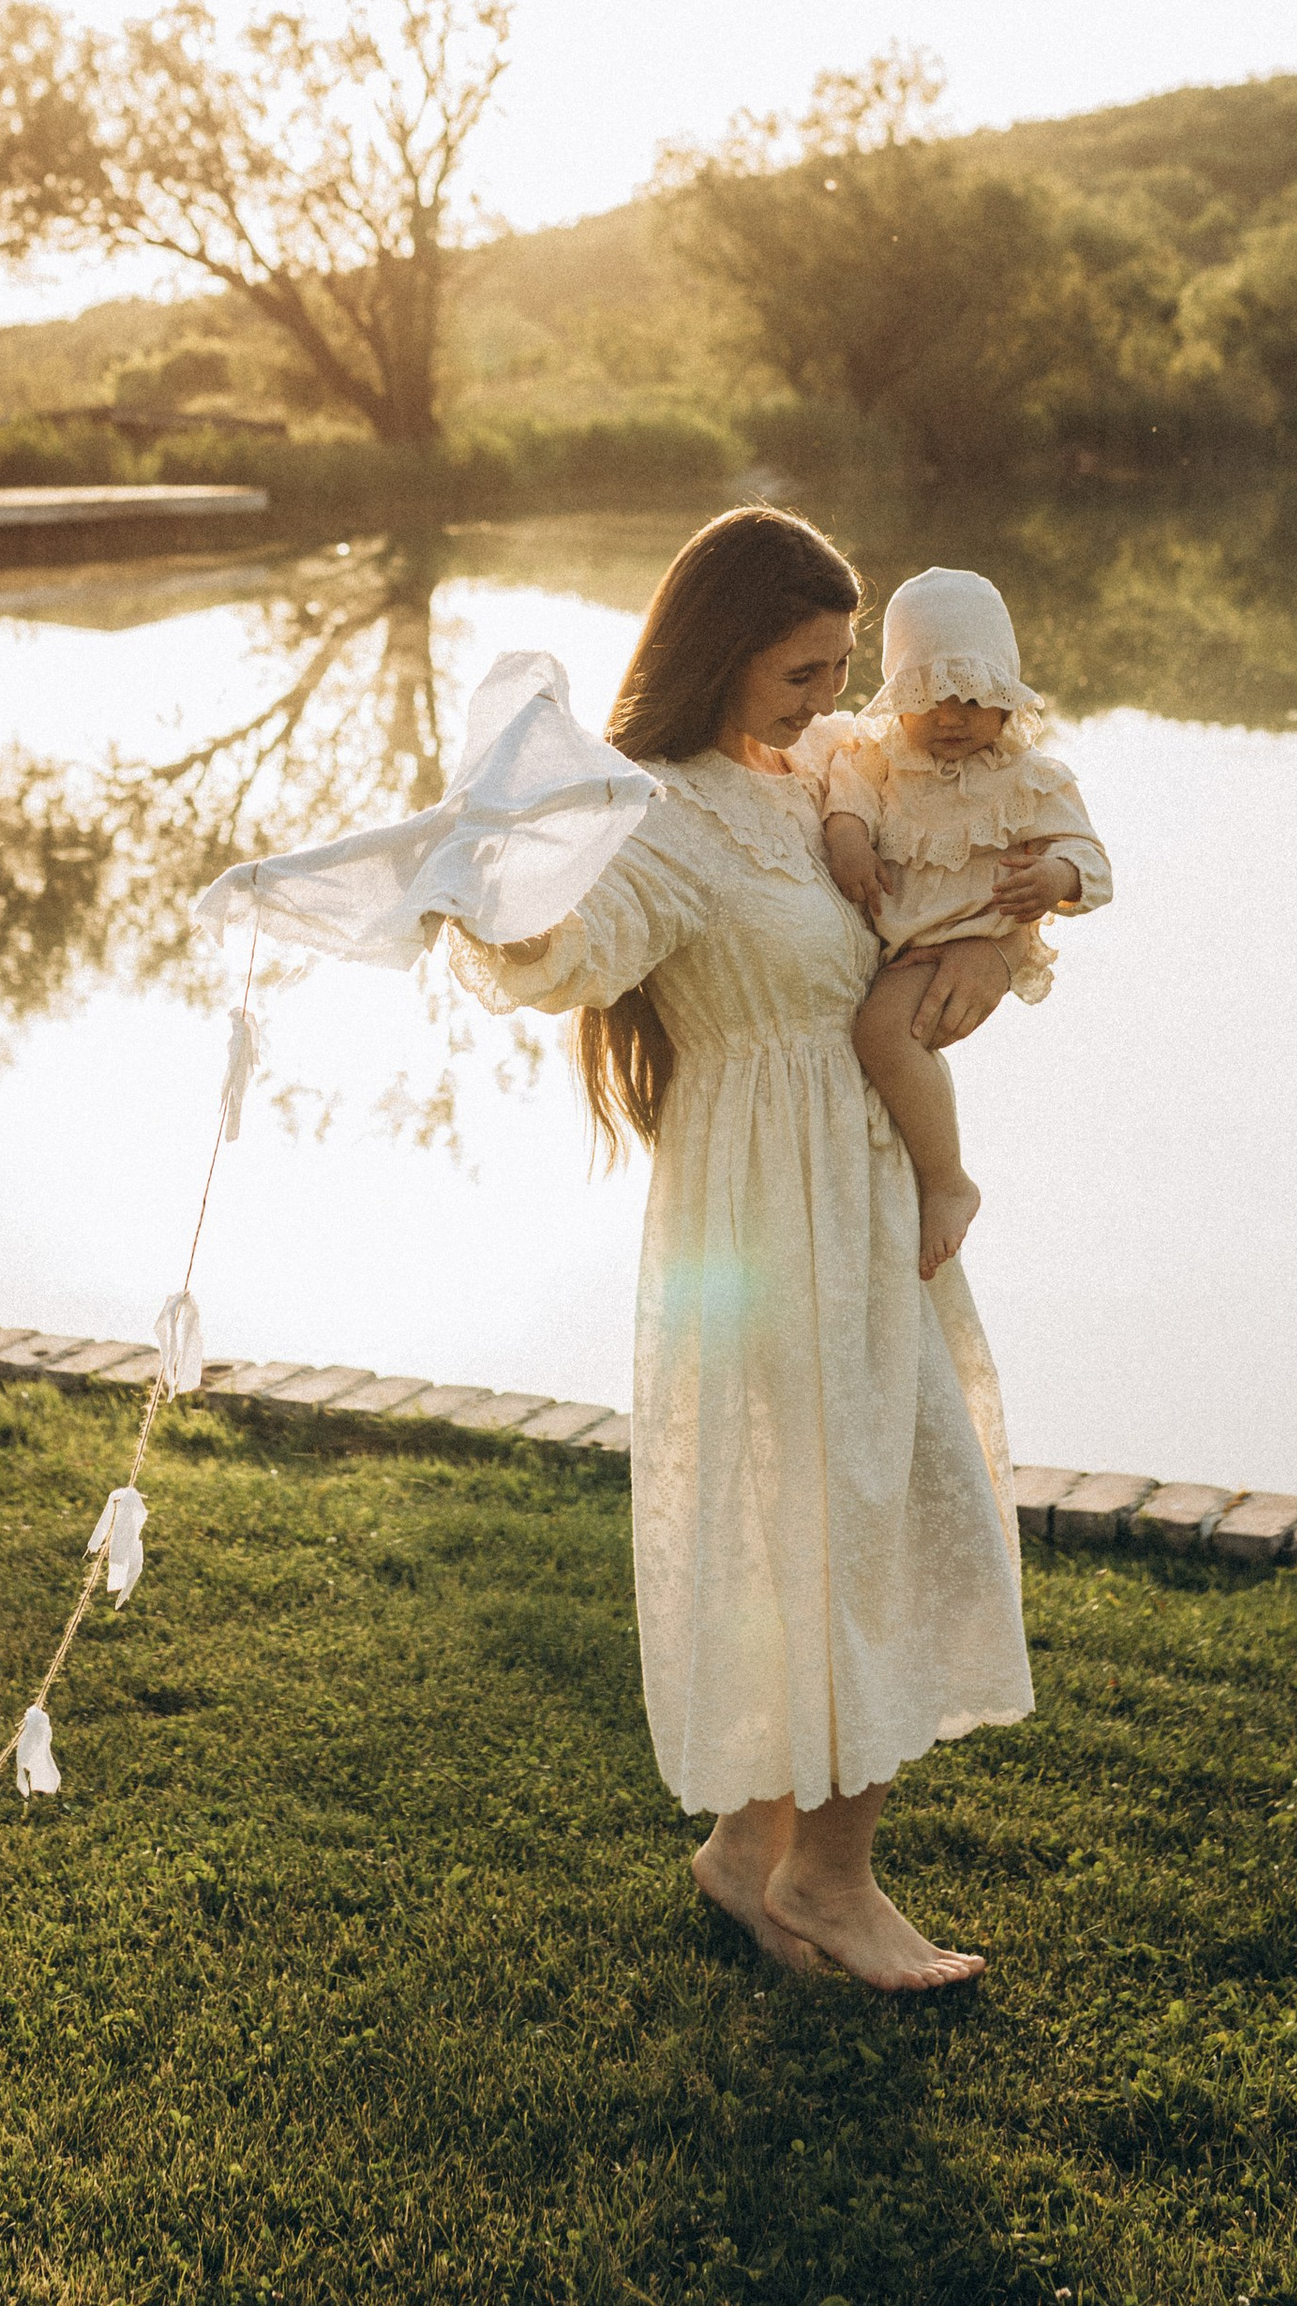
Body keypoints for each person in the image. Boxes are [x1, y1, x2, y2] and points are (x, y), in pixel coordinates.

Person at [440, 505, 1032, 1994]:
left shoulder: (816, 780)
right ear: (717, 658)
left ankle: (744, 1847)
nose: (827, 704)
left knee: (864, 1512)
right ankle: (829, 1886)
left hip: (869, 1192)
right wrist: (491, 892)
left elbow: (941, 909)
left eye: (839, 670)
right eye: (797, 677)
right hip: (771, 1217)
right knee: (848, 1520)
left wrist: (983, 941)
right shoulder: (658, 810)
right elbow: (575, 950)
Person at [802, 567, 1113, 1288]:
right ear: (900, 698)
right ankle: (927, 1174)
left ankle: (947, 1180)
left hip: (948, 950)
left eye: (973, 699)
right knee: (895, 1044)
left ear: (1005, 697)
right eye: (930, 698)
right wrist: (847, 839)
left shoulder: (1032, 778)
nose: (951, 717)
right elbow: (847, 802)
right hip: (902, 949)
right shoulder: (880, 761)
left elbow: (1090, 859)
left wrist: (1055, 879)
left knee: (881, 1033)